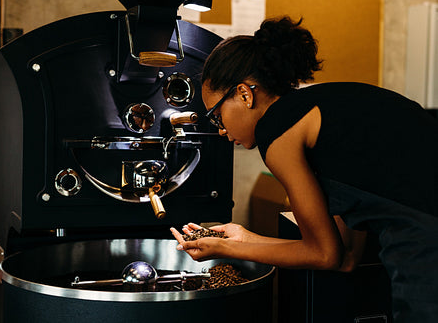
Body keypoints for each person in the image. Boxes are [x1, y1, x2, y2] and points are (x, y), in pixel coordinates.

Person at [170, 16, 438, 322]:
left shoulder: (278, 130)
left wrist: (226, 249)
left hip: (425, 242)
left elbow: (323, 255)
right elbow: (346, 256)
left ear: (244, 94)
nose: (221, 131)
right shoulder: (325, 114)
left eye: (217, 116)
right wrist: (242, 237)